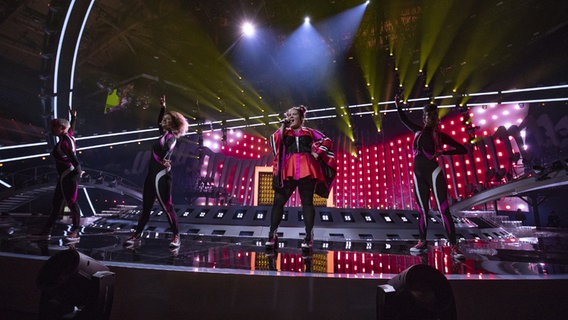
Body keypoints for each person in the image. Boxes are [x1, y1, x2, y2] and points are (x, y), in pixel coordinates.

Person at [395, 96, 468, 260]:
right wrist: (398, 105)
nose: (428, 118)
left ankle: (454, 246)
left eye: (431, 116)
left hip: (434, 173)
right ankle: (422, 242)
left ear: (435, 118)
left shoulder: (440, 136)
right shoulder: (418, 131)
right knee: (422, 211)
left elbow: (463, 149)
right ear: (424, 117)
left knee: (443, 210)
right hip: (418, 174)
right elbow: (403, 118)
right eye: (426, 115)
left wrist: (443, 152)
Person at [265, 105, 336, 264]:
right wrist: (283, 125)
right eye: (288, 114)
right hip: (288, 169)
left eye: (294, 115)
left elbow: (327, 140)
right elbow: (275, 142)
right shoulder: (285, 131)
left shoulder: (309, 132)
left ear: (301, 117)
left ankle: (309, 237)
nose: (290, 117)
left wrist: (318, 153)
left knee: (307, 204)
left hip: (307, 169)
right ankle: (272, 234)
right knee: (278, 201)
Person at [124, 95, 188, 248]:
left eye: (166, 120)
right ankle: (136, 234)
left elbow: (168, 149)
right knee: (145, 207)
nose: (163, 121)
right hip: (151, 175)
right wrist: (163, 107)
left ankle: (176, 236)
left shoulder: (171, 137)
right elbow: (159, 122)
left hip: (162, 176)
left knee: (167, 208)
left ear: (172, 124)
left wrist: (165, 159)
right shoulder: (163, 134)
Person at [39, 107, 84, 242]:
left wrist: (78, 172)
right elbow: (71, 128)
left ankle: (75, 231)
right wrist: (74, 118)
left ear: (62, 129)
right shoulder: (68, 135)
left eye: (55, 127)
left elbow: (74, 160)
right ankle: (46, 231)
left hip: (68, 176)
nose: (52, 129)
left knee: (71, 203)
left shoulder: (65, 143)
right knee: (56, 203)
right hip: (63, 176)